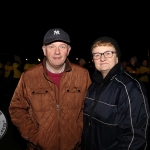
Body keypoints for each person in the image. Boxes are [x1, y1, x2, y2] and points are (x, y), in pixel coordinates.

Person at [9, 28, 91, 150]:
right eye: (51, 46)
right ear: (44, 50)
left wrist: (78, 133)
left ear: (68, 51)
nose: (57, 52)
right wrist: (36, 136)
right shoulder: (29, 76)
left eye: (62, 47)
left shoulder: (82, 75)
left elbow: (89, 109)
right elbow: (16, 109)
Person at [81, 36, 150, 150]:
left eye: (108, 53)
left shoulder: (129, 87)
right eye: (97, 54)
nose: (102, 58)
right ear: (93, 59)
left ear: (117, 57)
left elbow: (135, 138)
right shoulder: (93, 86)